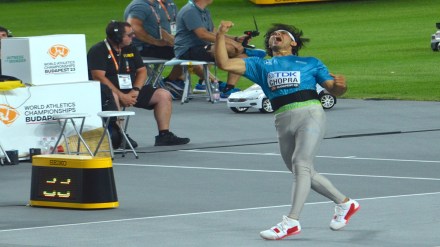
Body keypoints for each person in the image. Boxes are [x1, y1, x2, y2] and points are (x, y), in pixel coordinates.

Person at [215, 21, 360, 240]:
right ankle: (345, 204)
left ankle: (291, 221)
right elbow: (224, 64)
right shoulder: (260, 65)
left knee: (301, 164)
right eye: (273, 34)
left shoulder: (310, 62)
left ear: (293, 42)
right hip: (282, 118)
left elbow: (335, 90)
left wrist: (341, 85)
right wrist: (219, 35)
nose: (276, 35)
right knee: (302, 171)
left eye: (282, 33)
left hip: (310, 113)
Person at [87, 21, 190, 146]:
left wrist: (135, 90)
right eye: (130, 35)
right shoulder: (98, 50)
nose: (133, 37)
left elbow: (142, 70)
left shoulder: (131, 47)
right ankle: (120, 135)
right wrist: (121, 95)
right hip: (109, 92)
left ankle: (164, 135)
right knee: (113, 95)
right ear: (117, 38)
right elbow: (98, 77)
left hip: (130, 89)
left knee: (163, 95)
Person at [174, 0, 248, 99]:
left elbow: (214, 33)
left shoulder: (204, 11)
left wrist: (235, 38)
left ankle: (228, 89)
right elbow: (202, 34)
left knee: (241, 55)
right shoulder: (190, 11)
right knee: (230, 48)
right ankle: (217, 83)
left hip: (201, 47)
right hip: (187, 49)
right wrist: (232, 43)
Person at [124, 0, 184, 98]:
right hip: (144, 48)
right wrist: (155, 41)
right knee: (187, 51)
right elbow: (133, 27)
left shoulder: (166, 4)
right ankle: (173, 82)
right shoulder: (140, 6)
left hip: (161, 45)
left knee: (189, 49)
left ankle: (174, 81)